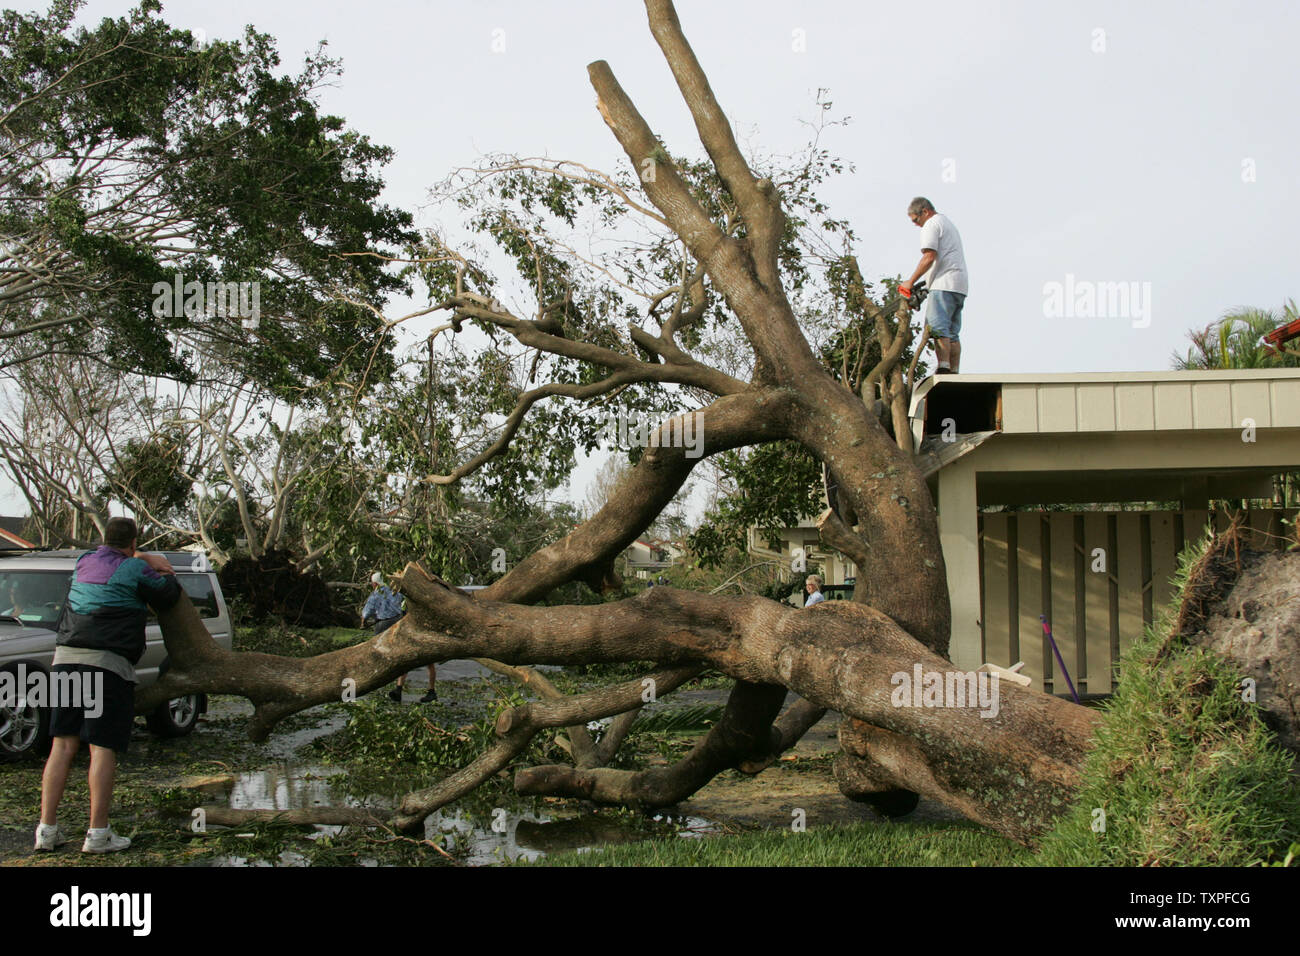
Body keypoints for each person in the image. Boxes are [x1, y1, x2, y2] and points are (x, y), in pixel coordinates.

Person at [35, 516, 181, 853]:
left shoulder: (84, 561)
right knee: (101, 748)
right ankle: (98, 834)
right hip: (105, 665)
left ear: (103, 538)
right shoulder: (133, 569)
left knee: (62, 745)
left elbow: (114, 560)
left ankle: (46, 830)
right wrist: (151, 561)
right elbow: (168, 594)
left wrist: (137, 556)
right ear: (133, 543)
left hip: (66, 660)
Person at [900, 197, 968, 375]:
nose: (916, 224)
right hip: (958, 285)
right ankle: (954, 371)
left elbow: (929, 257)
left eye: (916, 219)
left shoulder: (931, 224)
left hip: (943, 284)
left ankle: (944, 367)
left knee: (937, 327)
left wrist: (910, 282)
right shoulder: (947, 223)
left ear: (925, 212)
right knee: (952, 332)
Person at [362, 572, 436, 703]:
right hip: (400, 623)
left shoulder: (376, 593)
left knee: (377, 653)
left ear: (374, 583)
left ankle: (381, 684)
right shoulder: (397, 591)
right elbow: (405, 605)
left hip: (384, 624)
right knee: (405, 654)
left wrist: (363, 621)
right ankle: (401, 689)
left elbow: (367, 612)